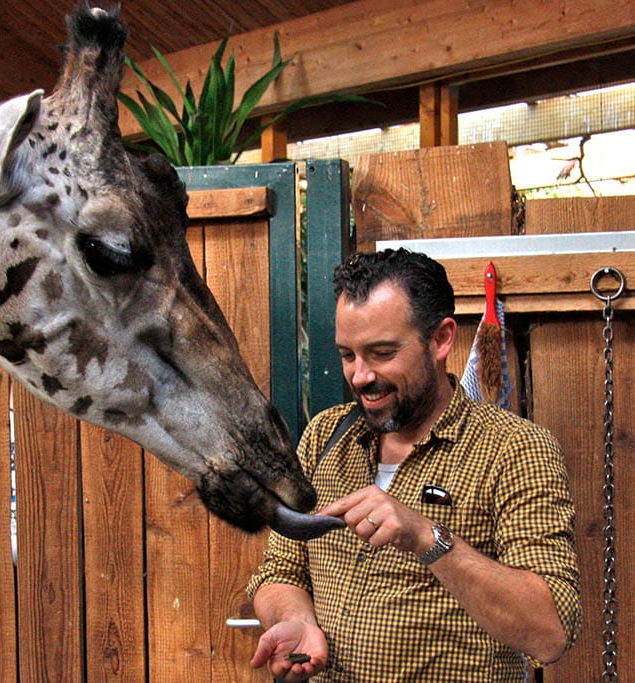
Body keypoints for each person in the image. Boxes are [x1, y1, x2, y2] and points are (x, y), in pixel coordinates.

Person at [247, 249, 581, 682]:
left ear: (441, 339)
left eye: (382, 353)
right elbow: (280, 573)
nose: (361, 376)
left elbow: (550, 632)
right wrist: (296, 620)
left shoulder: (515, 449)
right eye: (348, 355)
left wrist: (427, 536)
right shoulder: (324, 439)